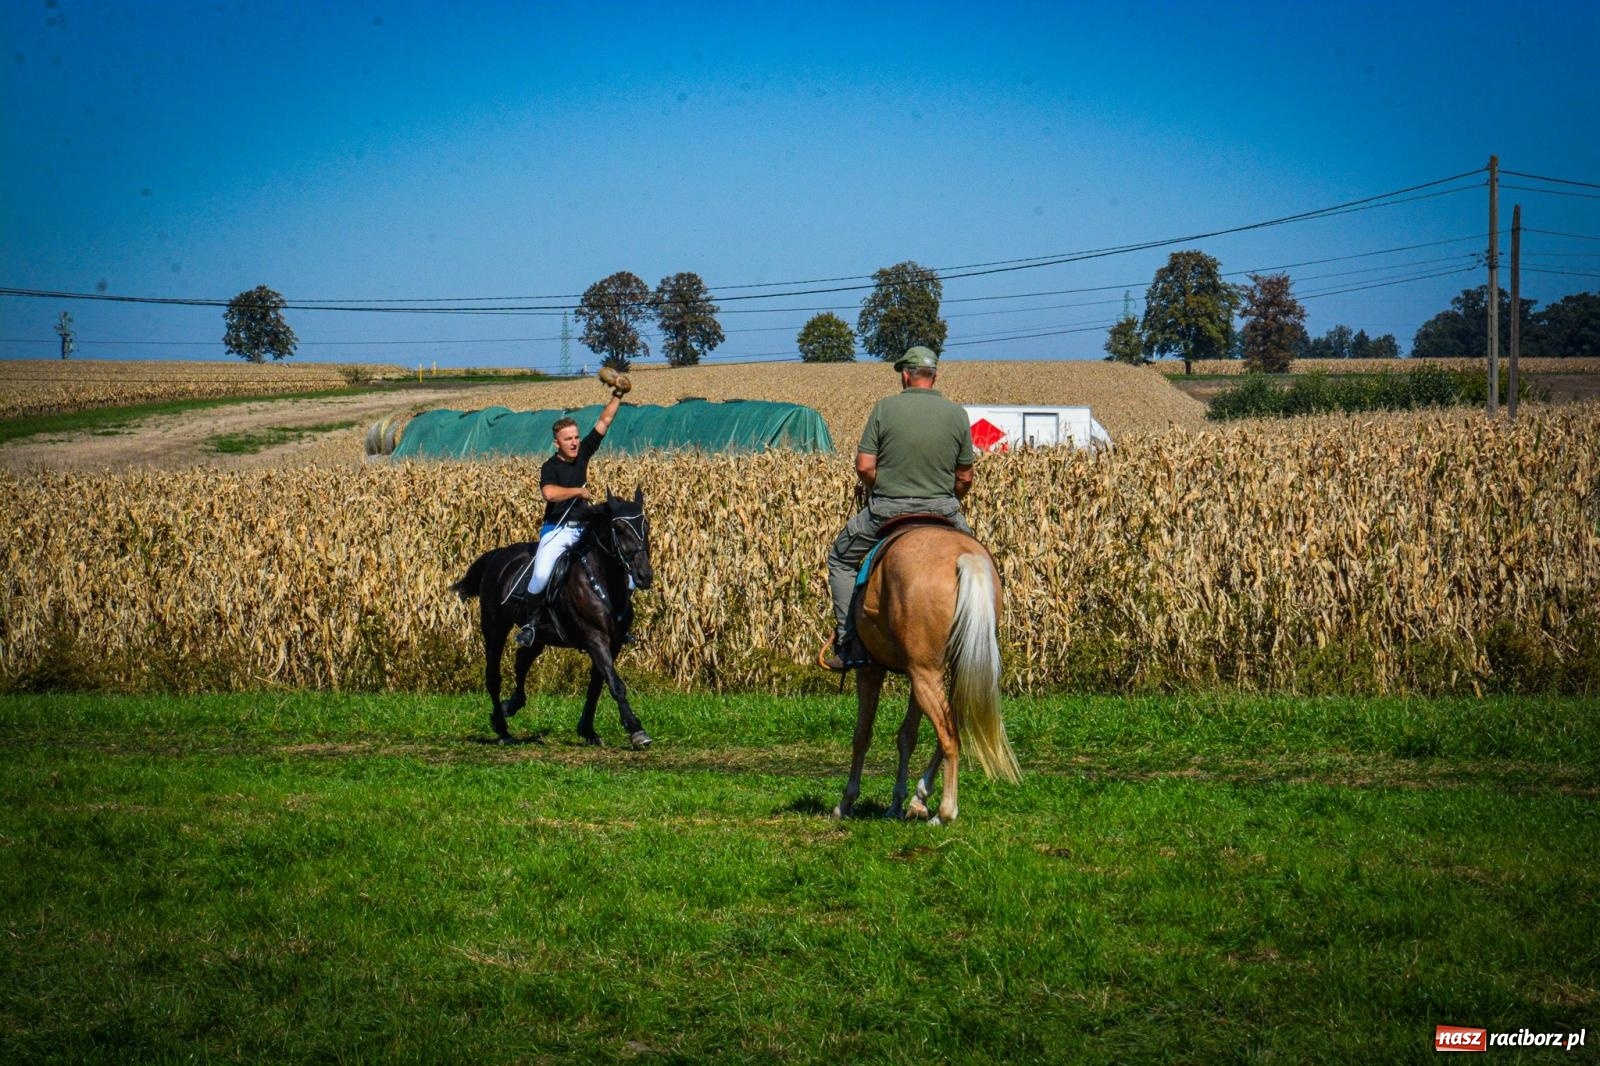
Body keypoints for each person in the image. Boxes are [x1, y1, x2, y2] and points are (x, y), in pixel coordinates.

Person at [821, 345, 975, 671]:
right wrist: (951, 495)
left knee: (840, 558)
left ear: (905, 375)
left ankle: (850, 643)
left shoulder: (885, 409)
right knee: (980, 561)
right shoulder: (957, 414)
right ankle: (985, 638)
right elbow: (965, 477)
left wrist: (881, 484)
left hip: (888, 510)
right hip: (944, 510)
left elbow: (864, 466)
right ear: (934, 375)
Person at [513, 368, 630, 645]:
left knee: (622, 567)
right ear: (557, 443)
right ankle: (531, 625)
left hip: (584, 529)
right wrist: (578, 490)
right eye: (569, 439)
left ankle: (620, 623)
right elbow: (550, 494)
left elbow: (604, 421)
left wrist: (618, 394)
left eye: (576, 437)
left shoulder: (583, 452)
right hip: (557, 530)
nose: (575, 442)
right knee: (540, 575)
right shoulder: (550, 466)